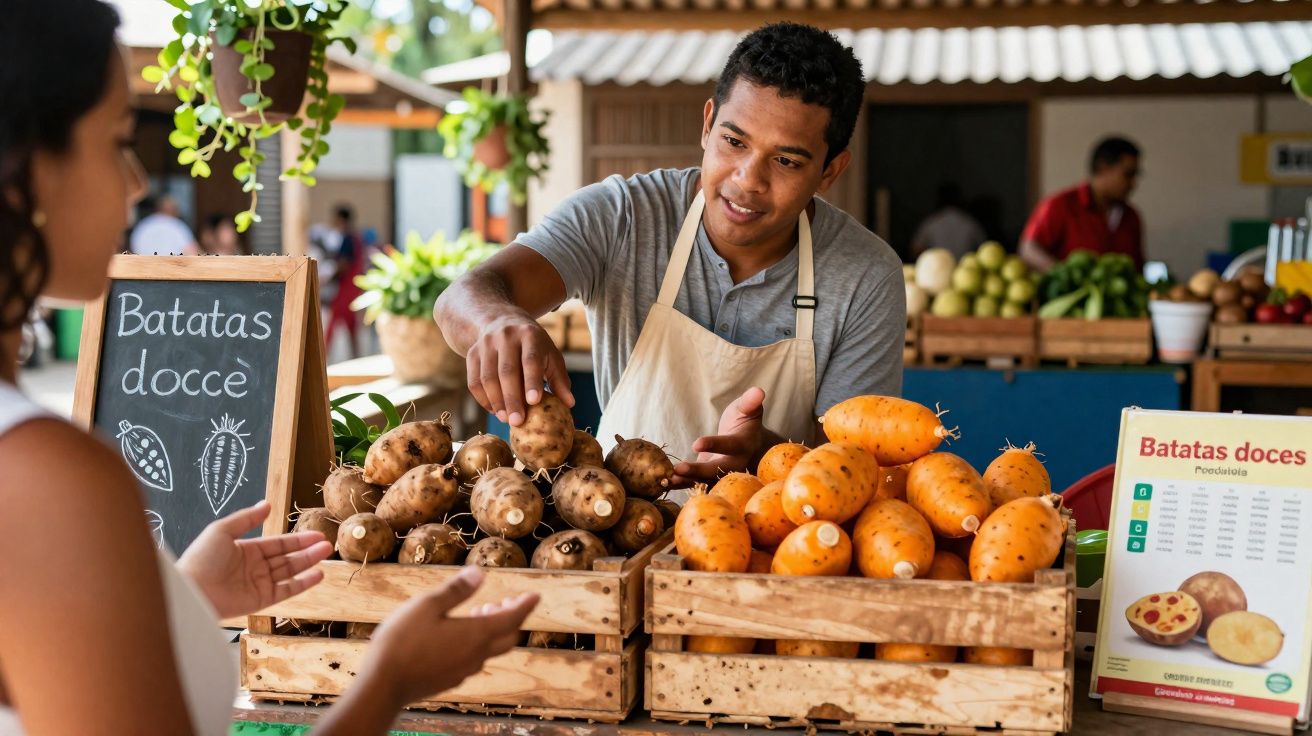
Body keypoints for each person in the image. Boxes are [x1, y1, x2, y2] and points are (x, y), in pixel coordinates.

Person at [0, 3, 537, 735]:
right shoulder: (45, 477)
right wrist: (390, 681)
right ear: (21, 174)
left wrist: (180, 598)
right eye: (117, 141)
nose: (133, 183)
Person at [435, 23, 905, 486]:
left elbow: (855, 468)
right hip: (616, 530)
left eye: (786, 161)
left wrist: (765, 453)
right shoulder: (623, 215)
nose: (747, 180)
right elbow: (463, 297)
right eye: (734, 141)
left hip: (772, 545)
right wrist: (495, 321)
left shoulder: (866, 276)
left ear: (830, 171)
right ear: (707, 125)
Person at [1019, 136, 1144, 273]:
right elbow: (1029, 249)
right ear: (1103, 168)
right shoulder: (1060, 205)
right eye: (1128, 174)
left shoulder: (1131, 217)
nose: (1133, 184)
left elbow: (1137, 267)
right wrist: (1063, 275)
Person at [325, 204, 364, 358]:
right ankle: (357, 358)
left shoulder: (347, 238)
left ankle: (322, 356)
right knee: (352, 326)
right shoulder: (356, 237)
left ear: (340, 219)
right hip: (354, 288)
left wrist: (329, 276)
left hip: (345, 288)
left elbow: (344, 263)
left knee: (332, 326)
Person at [911, 183, 985, 259]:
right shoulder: (970, 222)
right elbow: (984, 248)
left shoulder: (931, 222)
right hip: (965, 268)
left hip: (939, 268)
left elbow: (916, 249)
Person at [129, 193, 198, 256]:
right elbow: (192, 252)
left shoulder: (143, 225)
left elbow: (133, 248)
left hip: (144, 266)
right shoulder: (177, 226)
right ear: (174, 210)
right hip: (173, 267)